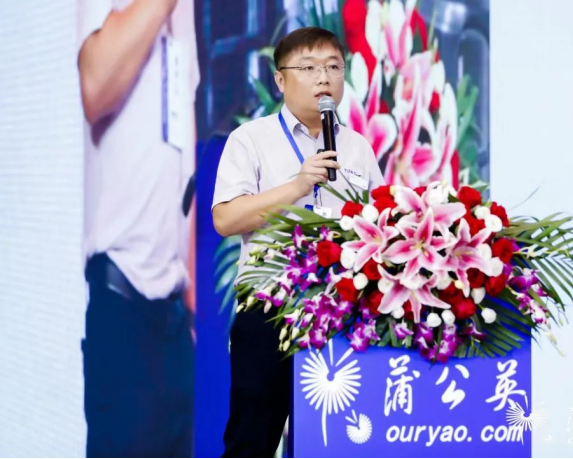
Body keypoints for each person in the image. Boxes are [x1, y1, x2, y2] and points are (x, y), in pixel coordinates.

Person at [212, 27, 386, 458]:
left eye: (333, 67)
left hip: (345, 316)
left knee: (338, 443)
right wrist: (296, 186)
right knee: (251, 443)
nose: (323, 77)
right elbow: (226, 218)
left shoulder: (358, 147)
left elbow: (382, 227)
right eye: (309, 68)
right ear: (280, 79)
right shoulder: (250, 139)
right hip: (270, 311)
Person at [76, 0, 199, 456]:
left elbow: (181, 169)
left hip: (175, 324)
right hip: (124, 306)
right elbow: (95, 86)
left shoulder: (185, 15)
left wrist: (192, 316)